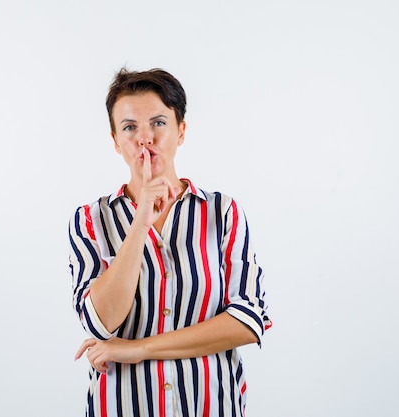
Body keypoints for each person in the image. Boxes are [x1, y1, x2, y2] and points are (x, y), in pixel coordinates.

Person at [68, 68, 271, 417]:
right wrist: (140, 221)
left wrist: (138, 348)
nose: (145, 138)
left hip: (211, 406)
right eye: (130, 127)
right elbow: (100, 323)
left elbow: (248, 320)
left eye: (158, 123)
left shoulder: (222, 213)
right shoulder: (91, 220)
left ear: (181, 131)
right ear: (116, 140)